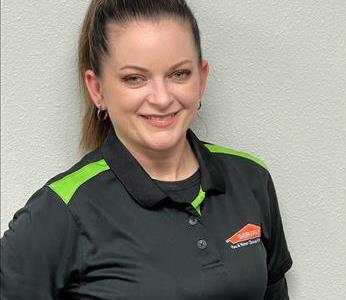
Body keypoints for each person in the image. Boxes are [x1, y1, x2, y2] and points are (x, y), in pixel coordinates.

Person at [0, 0, 292, 299]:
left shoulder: (250, 178)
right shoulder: (62, 210)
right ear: (97, 89)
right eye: (134, 78)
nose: (162, 98)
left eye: (179, 74)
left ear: (201, 78)